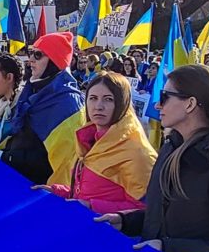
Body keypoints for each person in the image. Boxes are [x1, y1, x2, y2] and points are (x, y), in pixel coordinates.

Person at [97, 65, 209, 252]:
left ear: (190, 104)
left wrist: (169, 248)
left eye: (165, 96)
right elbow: (162, 218)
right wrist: (125, 221)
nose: (158, 105)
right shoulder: (171, 148)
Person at [37, 72, 157, 213]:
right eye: (93, 98)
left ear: (122, 103)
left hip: (109, 233)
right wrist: (57, 191)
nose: (98, 106)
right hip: (84, 226)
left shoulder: (138, 152)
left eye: (108, 99)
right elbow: (86, 193)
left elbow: (146, 211)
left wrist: (93, 206)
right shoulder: (88, 139)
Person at [0, 32, 85, 185]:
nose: (30, 60)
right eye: (31, 53)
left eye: (38, 55)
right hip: (19, 176)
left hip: (38, 188)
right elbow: (22, 137)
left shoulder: (67, 103)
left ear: (54, 61)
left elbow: (65, 165)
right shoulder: (34, 90)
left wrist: (4, 156)